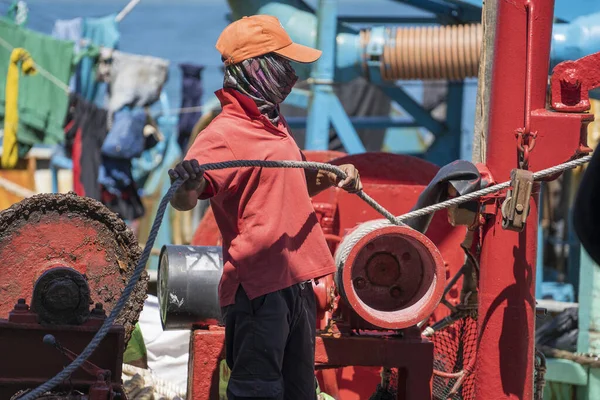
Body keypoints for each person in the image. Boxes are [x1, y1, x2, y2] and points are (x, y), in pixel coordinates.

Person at [168, 15, 362, 400]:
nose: (290, 72)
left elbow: (291, 178)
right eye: (282, 61)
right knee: (258, 391)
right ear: (256, 68)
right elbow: (185, 198)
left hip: (296, 285)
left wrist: (336, 175)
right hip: (258, 293)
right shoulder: (222, 135)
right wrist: (186, 184)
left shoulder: (272, 122)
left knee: (298, 392)